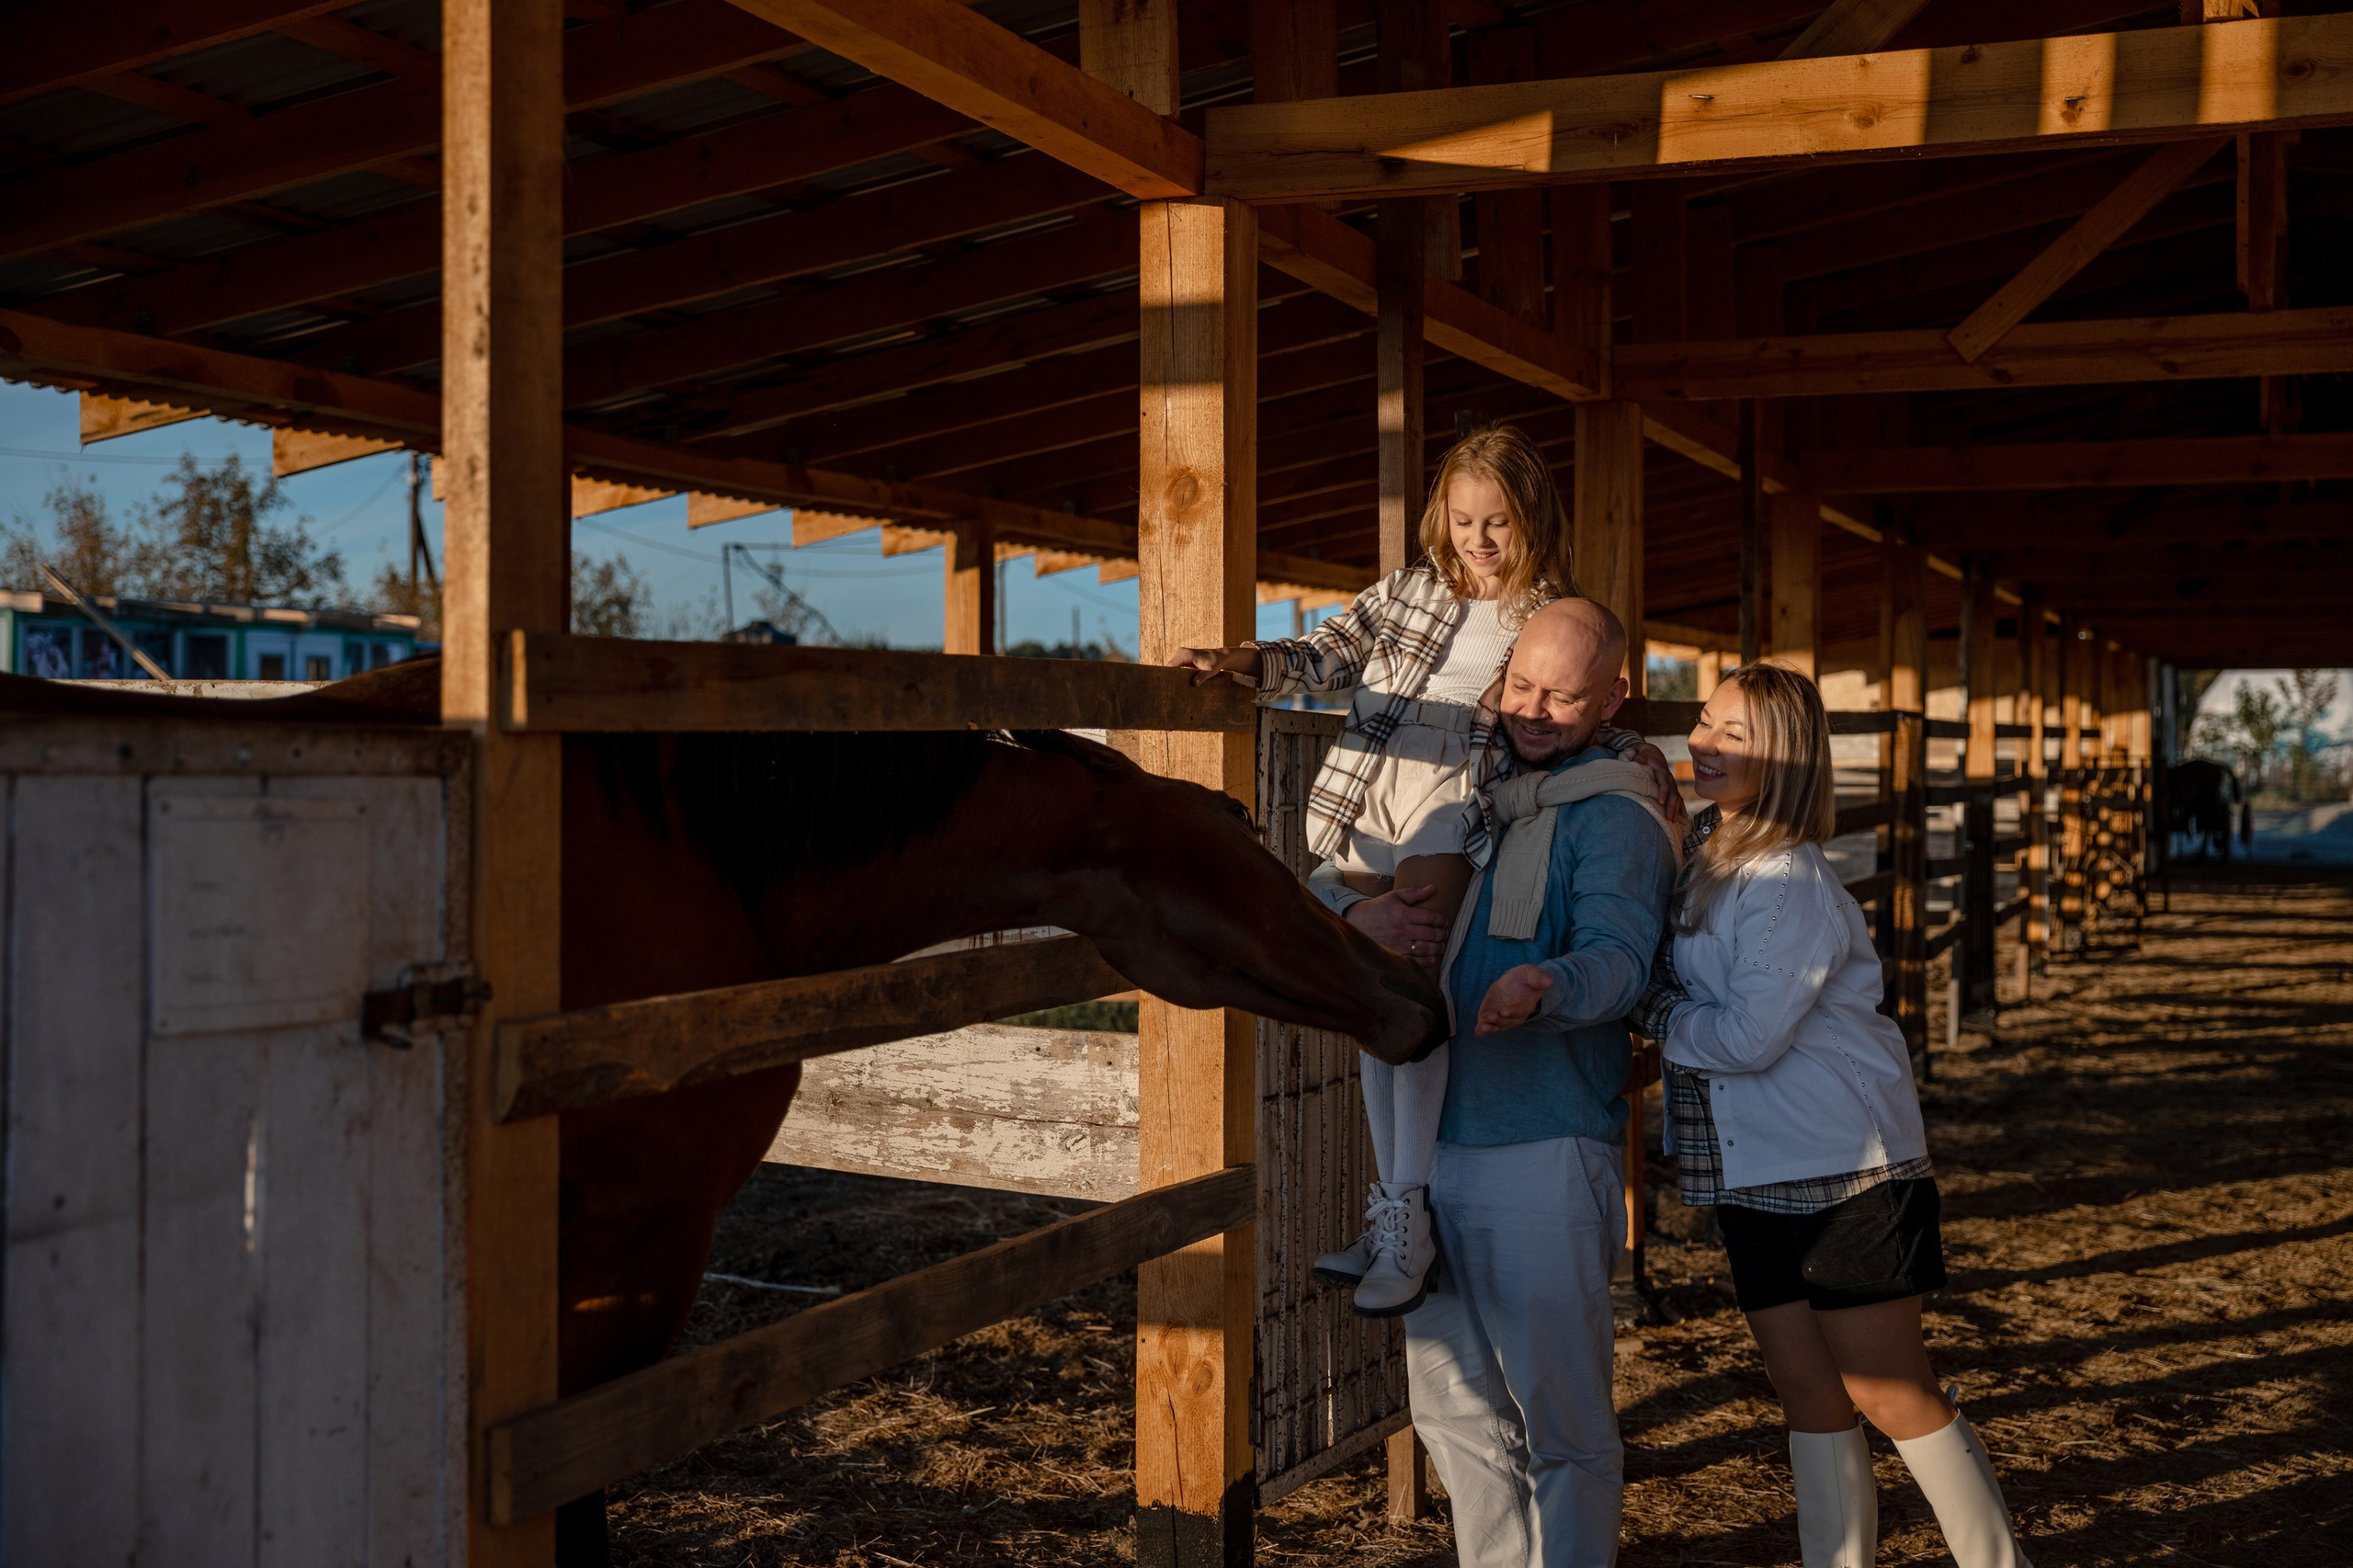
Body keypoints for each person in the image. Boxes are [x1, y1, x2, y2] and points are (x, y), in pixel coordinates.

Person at [1169, 425, 1664, 1317]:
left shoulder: (1543, 613)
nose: (1478, 541)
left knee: (1408, 992)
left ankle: (1406, 1210)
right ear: (1443, 515)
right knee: (1370, 1005)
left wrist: (1639, 757)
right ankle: (1400, 1210)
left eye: (1498, 524)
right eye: (1465, 519)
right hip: (1366, 799)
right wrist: (1241, 660)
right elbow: (1324, 654)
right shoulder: (1408, 592)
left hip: (1451, 807)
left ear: (1531, 522)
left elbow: (1567, 707)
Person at [1631, 664, 2035, 1568]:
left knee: (1889, 1390)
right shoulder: (1705, 845)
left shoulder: (1786, 880)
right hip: (1750, 1165)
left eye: (1736, 733)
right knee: (1805, 1386)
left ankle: (1995, 1560)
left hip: (1843, 1165)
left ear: (1788, 758)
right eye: (1704, 721)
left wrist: (1648, 1009)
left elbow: (1746, 1039)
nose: (1705, 742)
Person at [1320, 597, 1677, 1567]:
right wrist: (1361, 919)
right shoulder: (1467, 798)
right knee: (1452, 1414)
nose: (1533, 708)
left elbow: (1619, 956)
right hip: (1426, 1157)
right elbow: (1330, 878)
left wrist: (1548, 982)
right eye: (1521, 682)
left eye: (1563, 695)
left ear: (1615, 696)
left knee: (1561, 1421)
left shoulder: (1616, 820)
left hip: (1545, 1144)